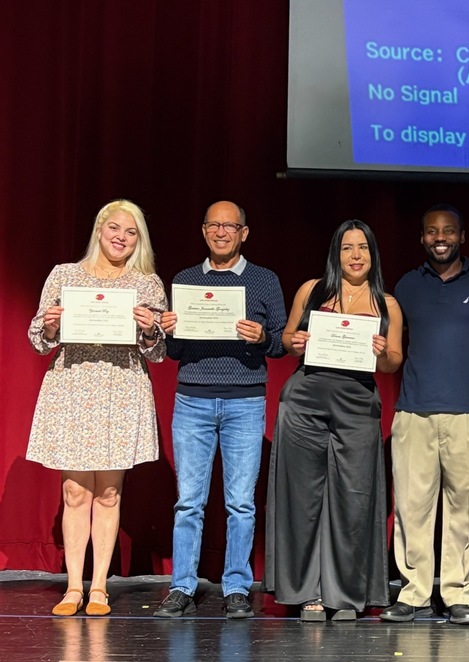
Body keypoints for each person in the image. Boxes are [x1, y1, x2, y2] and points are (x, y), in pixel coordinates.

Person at [27, 199, 167, 617]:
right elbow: (38, 339)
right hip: (73, 387)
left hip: (120, 390)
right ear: (99, 230)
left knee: (107, 492)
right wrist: (51, 325)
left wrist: (150, 330)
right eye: (115, 228)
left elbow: (158, 352)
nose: (121, 238)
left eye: (131, 232)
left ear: (139, 240)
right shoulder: (64, 276)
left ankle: (100, 587)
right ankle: (74, 587)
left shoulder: (147, 283)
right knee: (74, 491)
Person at [154, 201, 287, 619]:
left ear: (244, 233)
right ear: (204, 231)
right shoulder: (185, 280)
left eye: (230, 226)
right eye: (214, 225)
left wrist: (263, 337)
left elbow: (281, 343)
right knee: (188, 502)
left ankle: (236, 587)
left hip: (245, 401)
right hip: (192, 399)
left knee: (241, 504)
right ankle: (182, 585)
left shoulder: (264, 280)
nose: (221, 232)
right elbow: (175, 352)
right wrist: (169, 332)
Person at [264, 220, 402, 621]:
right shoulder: (312, 290)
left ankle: (345, 594)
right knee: (302, 498)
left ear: (373, 254)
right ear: (336, 254)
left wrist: (381, 351)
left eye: (362, 248)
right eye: (347, 248)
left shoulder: (387, 304)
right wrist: (296, 341)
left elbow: (393, 363)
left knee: (353, 500)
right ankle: (307, 591)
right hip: (305, 399)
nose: (355, 256)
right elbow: (287, 339)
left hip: (357, 404)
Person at [381, 204, 469, 625]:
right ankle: (413, 592)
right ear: (422, 238)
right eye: (432, 231)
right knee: (411, 507)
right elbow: (392, 348)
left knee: (465, 510)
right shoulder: (406, 285)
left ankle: (459, 595)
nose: (440, 238)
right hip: (414, 410)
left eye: (449, 231)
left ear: (462, 236)